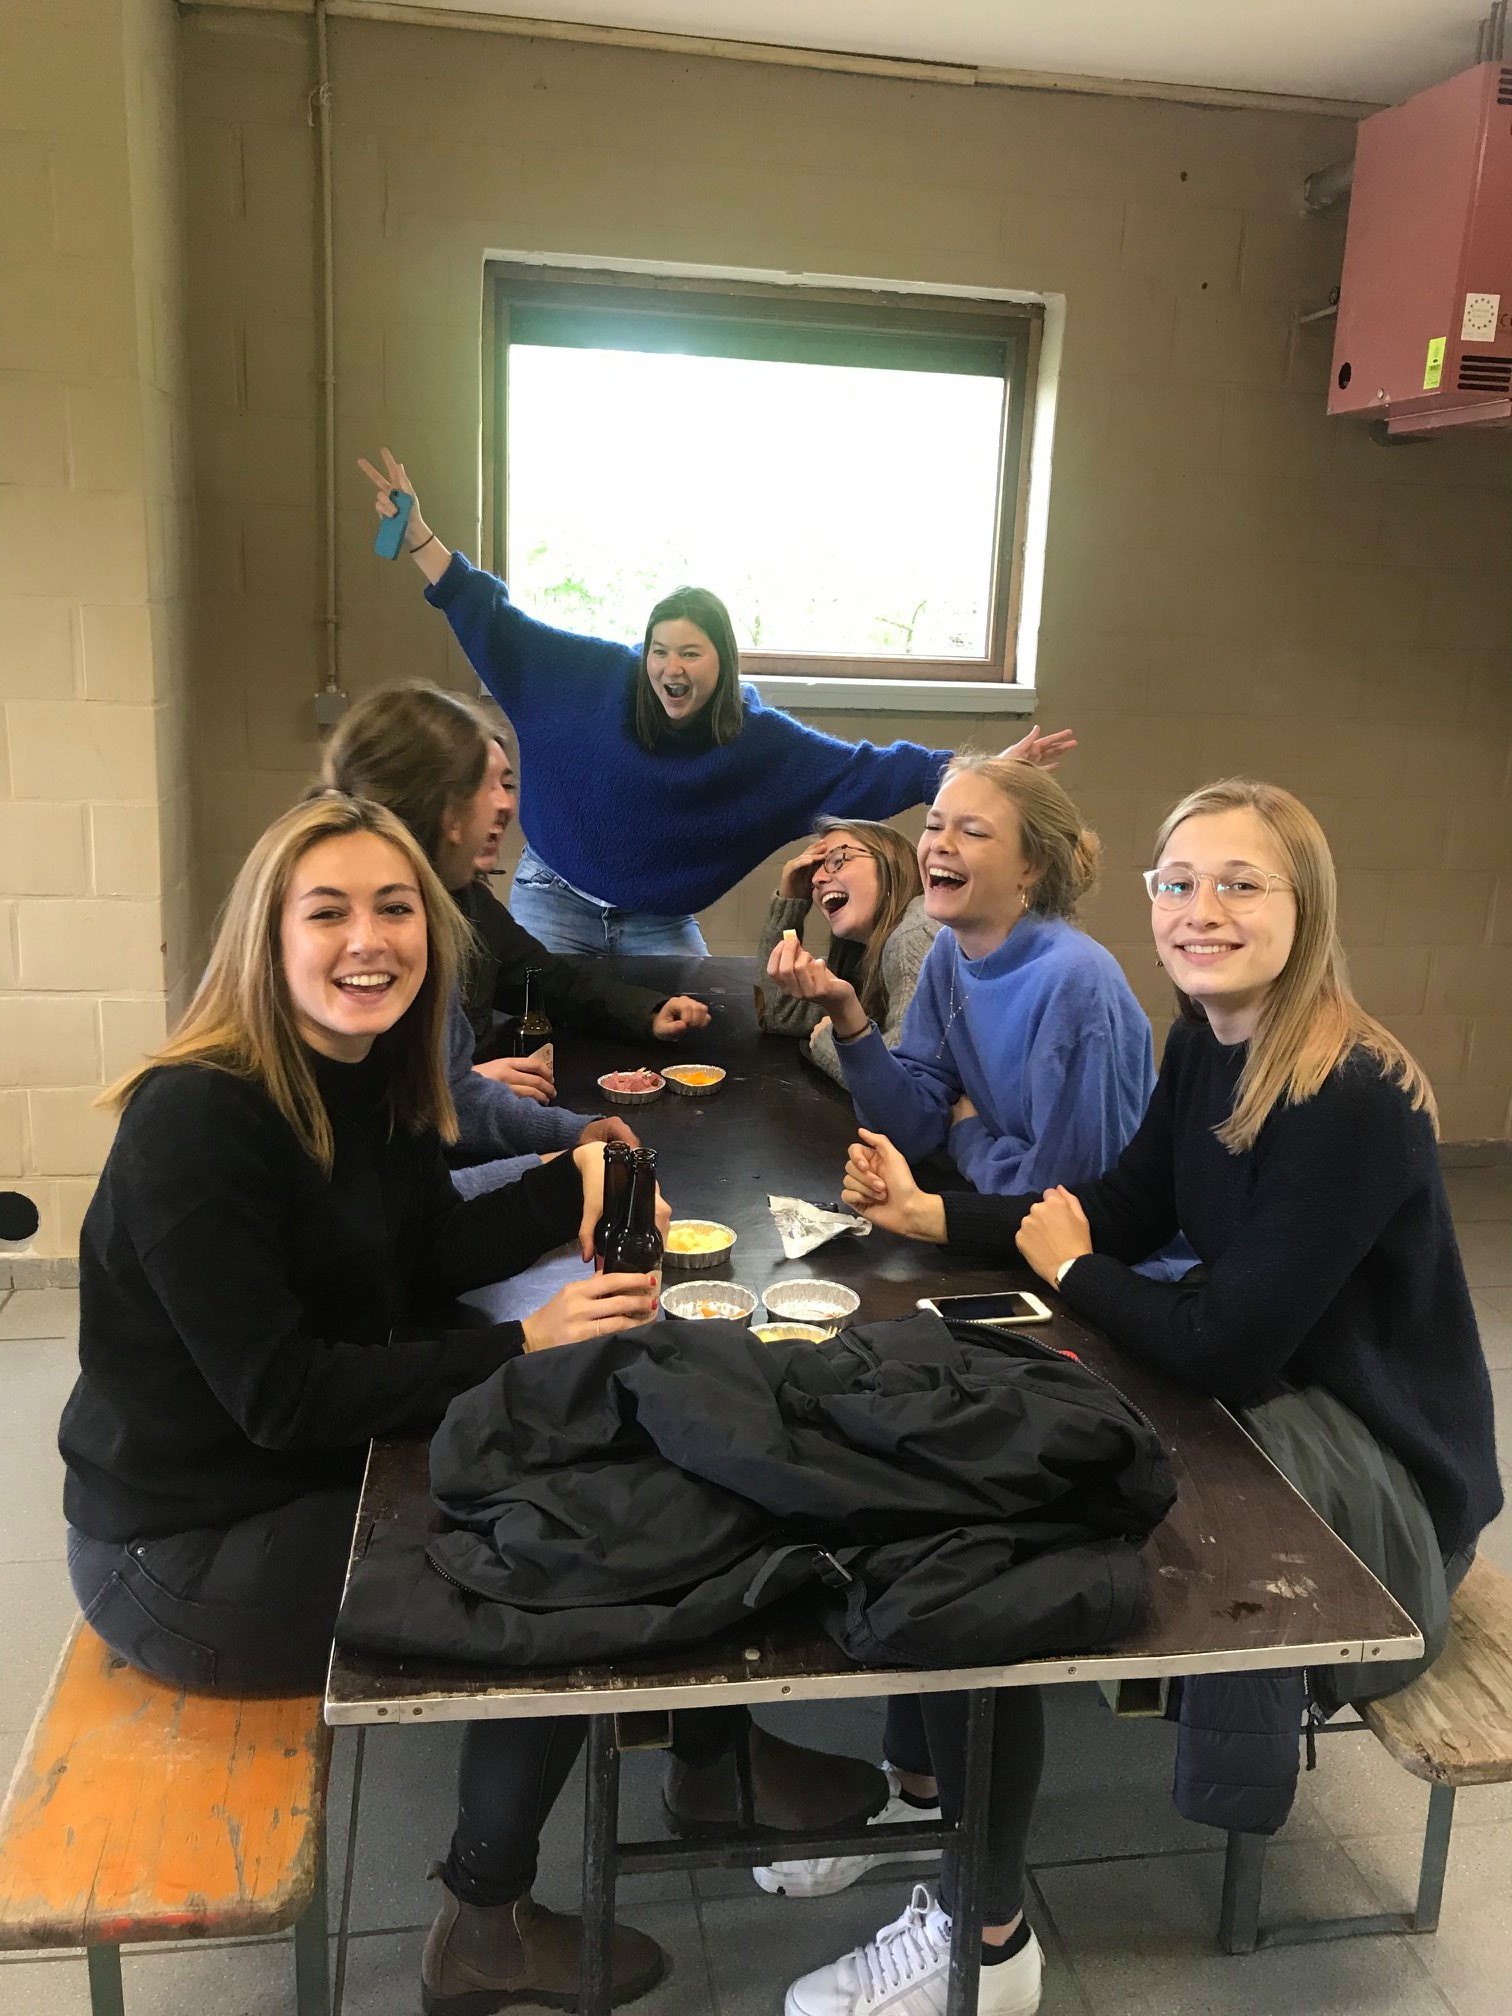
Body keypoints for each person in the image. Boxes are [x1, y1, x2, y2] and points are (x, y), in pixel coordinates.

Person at [823, 777, 1502, 2016]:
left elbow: (1219, 1343)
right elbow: (1124, 1212)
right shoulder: (1205, 1044)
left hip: (1378, 1502)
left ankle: (986, 1938)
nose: (1201, 910)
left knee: (1004, 1527)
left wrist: (1076, 1272)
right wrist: (937, 1218)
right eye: (1178, 883)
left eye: (1240, 884)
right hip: (1274, 1411)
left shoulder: (1352, 1096)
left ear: (1307, 904)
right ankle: (921, 1791)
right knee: (953, 1441)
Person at [58, 792, 676, 2008]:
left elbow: (421, 1256)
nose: (369, 940)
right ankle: (487, 1924)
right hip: (182, 1550)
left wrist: (576, 1176)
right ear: (268, 936)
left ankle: (715, 1766)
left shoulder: (367, 1072)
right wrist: (520, 1346)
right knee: (563, 1562)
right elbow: (283, 1396)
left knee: (585, 1468)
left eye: (396, 909)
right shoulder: (197, 1118)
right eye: (327, 912)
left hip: (283, 1475)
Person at [359, 447, 1073, 955]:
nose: (670, 667)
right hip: (553, 898)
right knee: (542, 1039)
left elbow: (868, 769)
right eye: (659, 650)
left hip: (658, 923)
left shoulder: (759, 742)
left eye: (691, 653)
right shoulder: (588, 679)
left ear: (722, 665)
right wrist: (419, 537)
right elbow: (494, 622)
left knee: (697, 1048)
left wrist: (981, 774)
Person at [767, 753, 1156, 1197]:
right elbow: (911, 1130)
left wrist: (968, 1136)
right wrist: (848, 1018)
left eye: (972, 832)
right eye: (933, 826)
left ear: (1032, 865)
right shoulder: (948, 952)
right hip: (1000, 1211)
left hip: (1083, 1233)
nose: (941, 844)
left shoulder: (1074, 981)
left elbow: (1065, 1195)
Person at [321, 680, 711, 1096]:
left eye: (507, 785)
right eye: (484, 786)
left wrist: (646, 1012)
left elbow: (547, 981)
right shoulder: (354, 936)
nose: (506, 805)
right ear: (441, 805)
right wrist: (467, 1088)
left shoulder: (464, 900)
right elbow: (350, 1096)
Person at [755, 817, 939, 1085]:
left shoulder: (915, 934)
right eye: (815, 869)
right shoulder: (862, 955)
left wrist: (828, 1042)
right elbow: (782, 1015)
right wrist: (791, 899)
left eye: (838, 860)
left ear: (889, 864)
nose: (816, 879)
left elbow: (905, 1086)